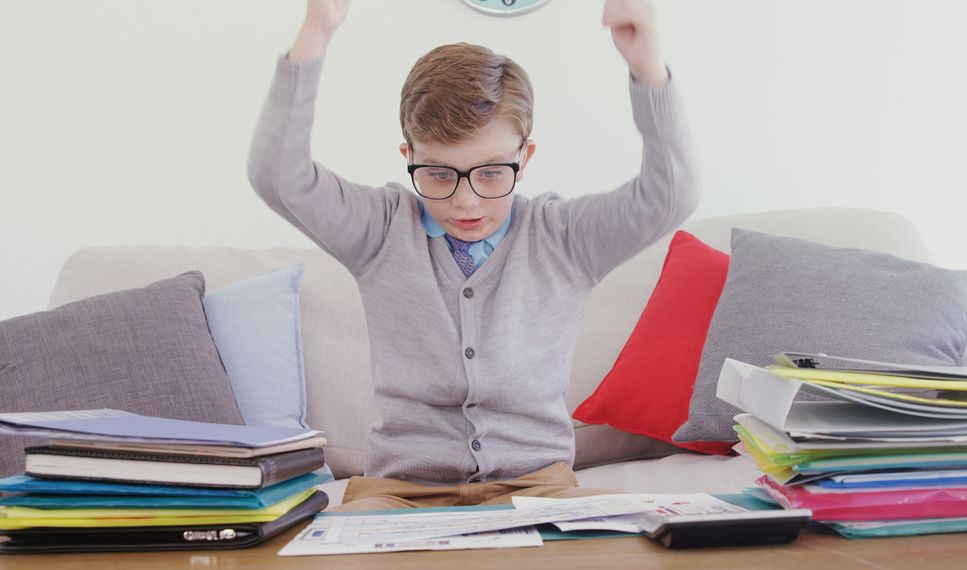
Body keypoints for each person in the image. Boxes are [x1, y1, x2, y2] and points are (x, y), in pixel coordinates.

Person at [247, 0, 700, 511]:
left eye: (490, 173)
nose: (466, 201)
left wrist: (647, 67)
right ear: (409, 158)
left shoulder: (564, 238)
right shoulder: (378, 229)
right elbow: (277, 175)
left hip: (536, 486)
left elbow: (671, 194)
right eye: (439, 174)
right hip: (402, 492)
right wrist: (317, 32)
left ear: (524, 157)